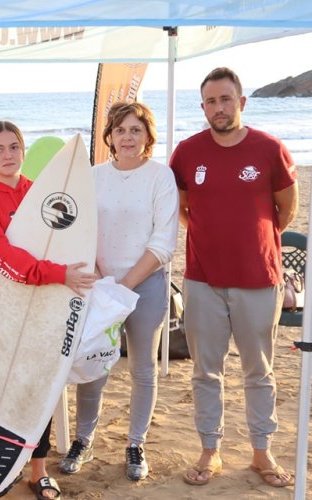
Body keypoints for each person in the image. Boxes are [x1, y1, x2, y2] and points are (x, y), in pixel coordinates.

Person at [170, 67, 297, 488]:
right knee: (206, 371)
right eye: (210, 101)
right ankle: (211, 450)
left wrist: (251, 242)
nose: (218, 108)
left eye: (225, 99)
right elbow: (184, 209)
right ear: (203, 106)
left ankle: (262, 451)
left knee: (258, 370)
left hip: (259, 279)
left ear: (241, 102)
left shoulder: (269, 149)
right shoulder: (187, 152)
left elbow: (286, 210)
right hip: (203, 280)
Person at [0, 121, 96, 500]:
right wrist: (56, 273)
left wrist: (77, 269)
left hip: (42, 302)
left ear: (24, 151)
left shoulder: (37, 193)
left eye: (14, 147)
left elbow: (66, 238)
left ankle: (36, 470)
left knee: (35, 385)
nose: (8, 156)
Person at [58, 102, 178, 481]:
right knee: (93, 367)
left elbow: (164, 242)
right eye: (121, 130)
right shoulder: (93, 176)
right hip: (98, 287)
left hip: (144, 286)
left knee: (143, 369)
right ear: (109, 136)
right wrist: (96, 274)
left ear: (148, 137)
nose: (128, 137)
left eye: (136, 130)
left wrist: (125, 287)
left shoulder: (161, 177)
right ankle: (84, 439)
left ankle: (135, 444)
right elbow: (79, 228)